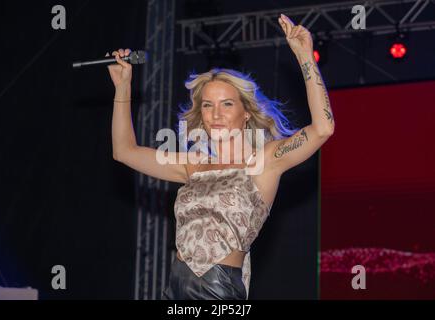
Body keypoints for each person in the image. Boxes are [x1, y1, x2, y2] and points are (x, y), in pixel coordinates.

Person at [108, 14, 335, 300]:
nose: (216, 114)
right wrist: (123, 87)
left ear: (246, 113)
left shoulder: (264, 161)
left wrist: (305, 57)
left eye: (227, 104)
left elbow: (323, 128)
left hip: (218, 290)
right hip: (174, 288)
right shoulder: (192, 164)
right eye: (207, 105)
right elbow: (124, 151)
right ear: (200, 115)